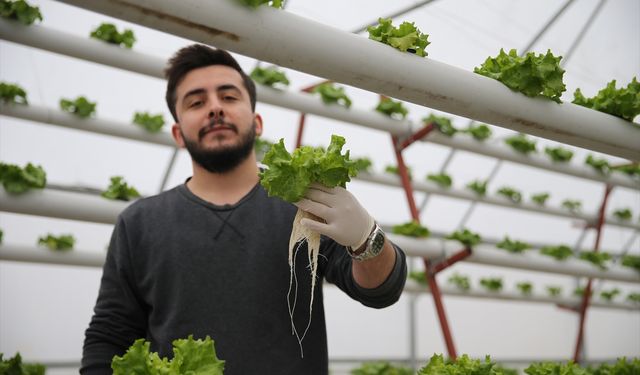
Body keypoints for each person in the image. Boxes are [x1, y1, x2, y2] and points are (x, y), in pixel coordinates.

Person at [81, 44, 407, 375]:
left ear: (257, 121)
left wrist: (367, 239)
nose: (214, 109)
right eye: (196, 102)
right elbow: (110, 335)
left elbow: (381, 290)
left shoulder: (304, 206)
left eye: (229, 97)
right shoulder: (139, 223)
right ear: (178, 133)